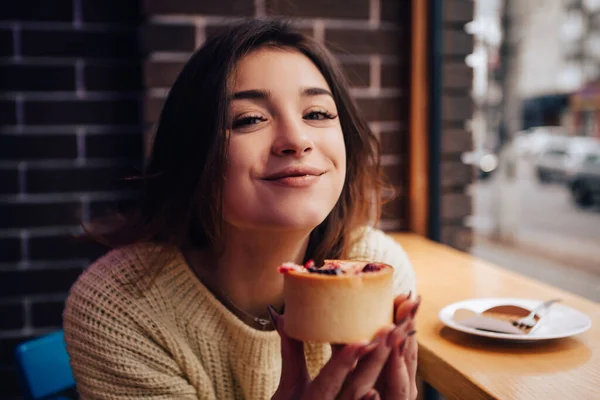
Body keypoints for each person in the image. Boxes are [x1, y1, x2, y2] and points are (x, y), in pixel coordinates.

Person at [63, 18, 420, 400]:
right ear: (192, 153)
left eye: (316, 113)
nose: (297, 140)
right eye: (249, 119)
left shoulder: (375, 270)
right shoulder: (119, 305)